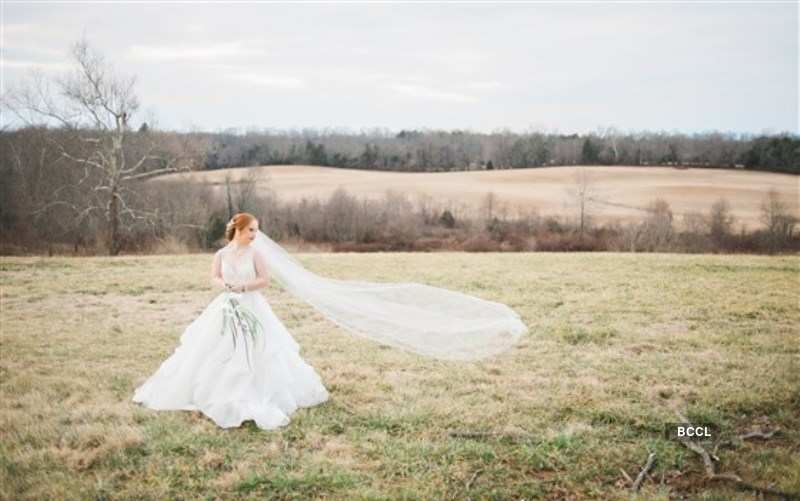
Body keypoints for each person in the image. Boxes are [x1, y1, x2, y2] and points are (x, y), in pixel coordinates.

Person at [132, 212, 330, 430]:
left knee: (258, 348)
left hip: (252, 305)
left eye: (256, 230)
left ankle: (253, 390)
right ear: (238, 229)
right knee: (214, 346)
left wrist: (243, 287)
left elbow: (264, 280)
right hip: (226, 304)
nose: (255, 234)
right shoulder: (221, 254)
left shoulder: (256, 254)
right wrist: (225, 286)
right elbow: (214, 277)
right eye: (251, 230)